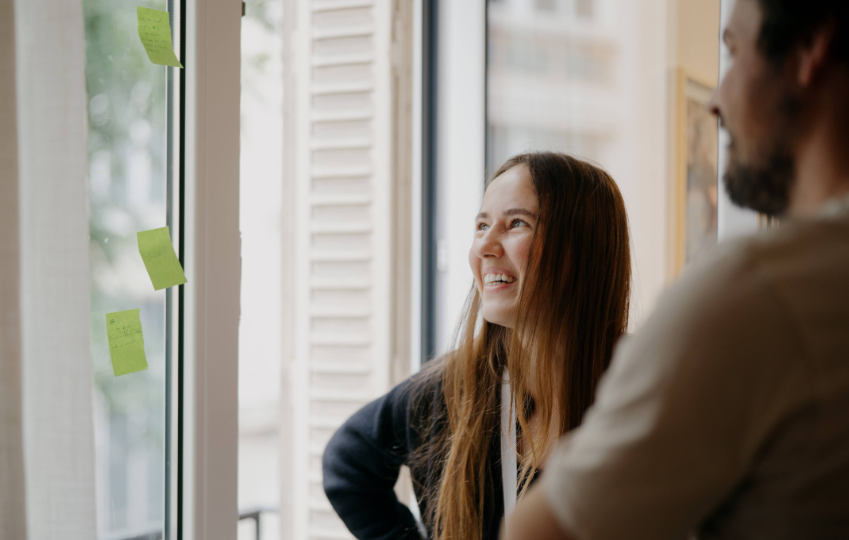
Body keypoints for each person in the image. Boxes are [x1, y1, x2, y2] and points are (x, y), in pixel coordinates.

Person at [505, 1, 849, 539]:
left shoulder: (753, 295)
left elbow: (541, 532)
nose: (715, 100)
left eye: (734, 50)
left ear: (808, 50)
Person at [322, 152, 632, 540]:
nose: (484, 246)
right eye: (482, 226)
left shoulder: (648, 391)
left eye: (516, 223)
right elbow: (346, 462)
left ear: (583, 249)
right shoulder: (452, 390)